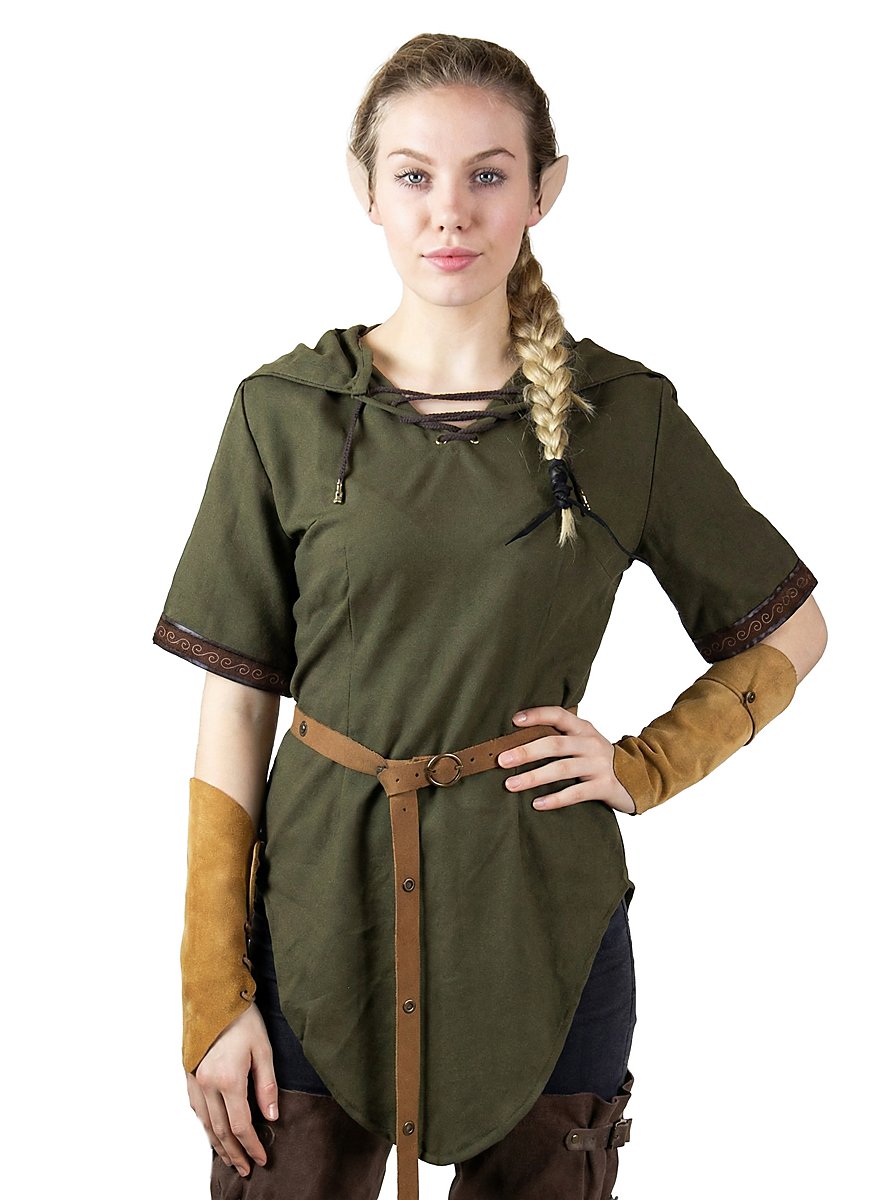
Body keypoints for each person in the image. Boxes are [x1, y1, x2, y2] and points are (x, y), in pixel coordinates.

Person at [152, 31, 827, 1200]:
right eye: (414, 173)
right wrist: (213, 988)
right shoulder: (284, 412)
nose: (450, 211)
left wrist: (647, 765)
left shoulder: (624, 417)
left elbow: (792, 629)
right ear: (366, 187)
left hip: (542, 916)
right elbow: (237, 708)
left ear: (543, 189)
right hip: (317, 911)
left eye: (488, 173)